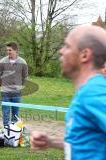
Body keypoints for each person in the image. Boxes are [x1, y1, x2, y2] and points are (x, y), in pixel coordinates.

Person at [30, 25, 106, 160]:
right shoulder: (87, 91)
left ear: (85, 55)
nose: (60, 51)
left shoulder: (94, 93)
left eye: (67, 46)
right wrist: (51, 142)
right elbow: (85, 141)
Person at [0, 42, 28, 126]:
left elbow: (25, 77)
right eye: (7, 50)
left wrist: (19, 86)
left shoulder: (23, 62)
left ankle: (14, 135)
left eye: (10, 50)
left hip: (17, 93)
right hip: (5, 93)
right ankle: (6, 134)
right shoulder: (2, 61)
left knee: (15, 116)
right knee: (5, 115)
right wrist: (3, 86)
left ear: (16, 50)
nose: (8, 52)